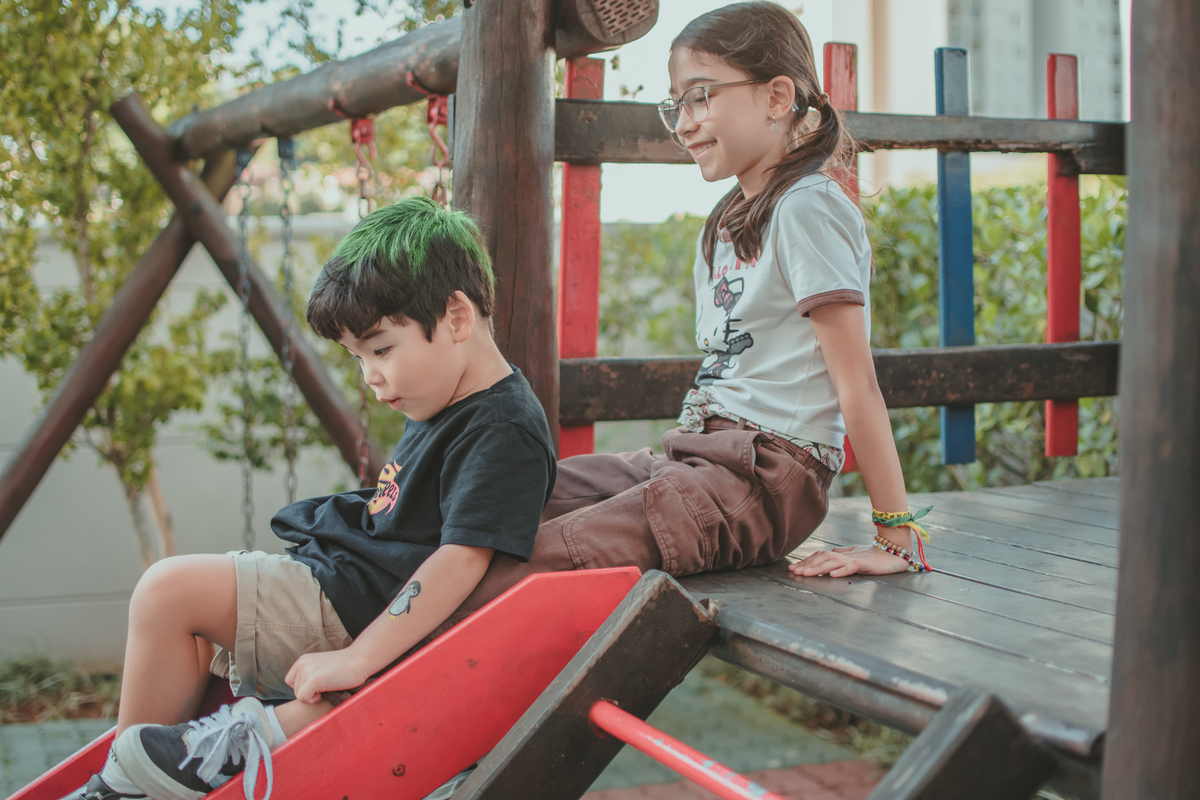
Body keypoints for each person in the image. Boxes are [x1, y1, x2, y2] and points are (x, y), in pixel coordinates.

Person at [422, 0, 933, 640]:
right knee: (495, 497)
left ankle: (357, 698)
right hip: (698, 457)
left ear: (777, 96)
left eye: (699, 98)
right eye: (676, 106)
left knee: (507, 571)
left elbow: (857, 385)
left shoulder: (809, 207)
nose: (683, 123)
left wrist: (894, 534)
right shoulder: (729, 220)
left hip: (764, 477)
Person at [75, 197, 556, 800]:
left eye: (381, 350)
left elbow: (461, 559)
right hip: (340, 582)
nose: (371, 377)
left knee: (166, 593)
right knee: (186, 620)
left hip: (353, 609)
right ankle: (152, 772)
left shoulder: (502, 428)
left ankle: (126, 789)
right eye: (358, 359)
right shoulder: (446, 397)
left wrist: (358, 661)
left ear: (457, 317)